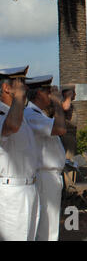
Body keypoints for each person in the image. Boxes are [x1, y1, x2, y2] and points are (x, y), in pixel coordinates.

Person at [24, 75, 68, 241]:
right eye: (48, 91)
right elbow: (60, 129)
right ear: (38, 94)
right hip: (44, 175)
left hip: (50, 175)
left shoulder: (38, 113)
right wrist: (58, 103)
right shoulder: (31, 114)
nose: (52, 94)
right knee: (46, 224)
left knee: (50, 222)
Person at [0, 66, 40, 241]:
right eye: (20, 83)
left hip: (29, 187)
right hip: (11, 192)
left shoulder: (19, 113)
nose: (26, 89)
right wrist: (17, 98)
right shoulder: (4, 114)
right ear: (6, 88)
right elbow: (11, 127)